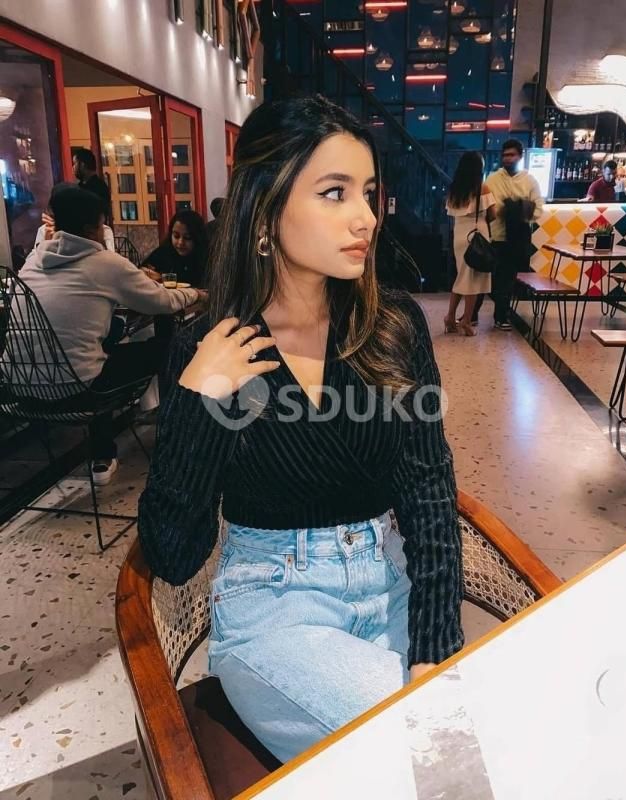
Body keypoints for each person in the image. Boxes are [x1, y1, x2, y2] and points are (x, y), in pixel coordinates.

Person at [138, 95, 463, 764]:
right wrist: (199, 400)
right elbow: (172, 554)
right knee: (425, 754)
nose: (365, 217)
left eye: (367, 192)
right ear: (266, 209)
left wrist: (435, 646)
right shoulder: (211, 346)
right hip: (274, 608)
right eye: (335, 192)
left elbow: (429, 494)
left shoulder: (391, 326)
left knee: (468, 730)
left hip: (390, 583)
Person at [15, 188, 203, 485]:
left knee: (102, 346)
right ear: (93, 228)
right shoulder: (104, 262)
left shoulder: (32, 261)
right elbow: (162, 301)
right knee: (171, 347)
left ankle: (103, 453)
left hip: (21, 391)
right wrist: (198, 295)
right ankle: (178, 442)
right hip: (77, 391)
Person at [474, 139, 543, 330]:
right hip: (494, 236)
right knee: (485, 277)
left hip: (516, 239)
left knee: (507, 279)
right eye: (504, 155)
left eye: (511, 155)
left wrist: (518, 209)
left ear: (520, 156)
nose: (507, 159)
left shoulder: (529, 180)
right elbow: (485, 206)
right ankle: (472, 314)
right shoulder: (493, 179)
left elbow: (538, 210)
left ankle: (501, 316)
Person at [445, 152, 495, 336]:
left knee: (462, 278)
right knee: (473, 281)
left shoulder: (454, 189)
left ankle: (450, 317)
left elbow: (451, 213)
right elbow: (493, 214)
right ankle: (466, 321)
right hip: (476, 236)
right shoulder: (482, 188)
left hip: (459, 235)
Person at [33, 183, 115, 253]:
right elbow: (37, 261)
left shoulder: (100, 229)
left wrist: (97, 238)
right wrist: (47, 242)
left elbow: (110, 260)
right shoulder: (44, 230)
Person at [141, 209, 209, 288]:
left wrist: (162, 278)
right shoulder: (164, 251)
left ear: (198, 238)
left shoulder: (206, 257)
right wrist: (147, 273)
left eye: (187, 237)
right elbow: (142, 270)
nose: (180, 242)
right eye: (176, 236)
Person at [72, 148, 111, 218]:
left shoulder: (98, 188)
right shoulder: (80, 186)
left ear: (82, 165)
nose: (73, 167)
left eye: (75, 163)